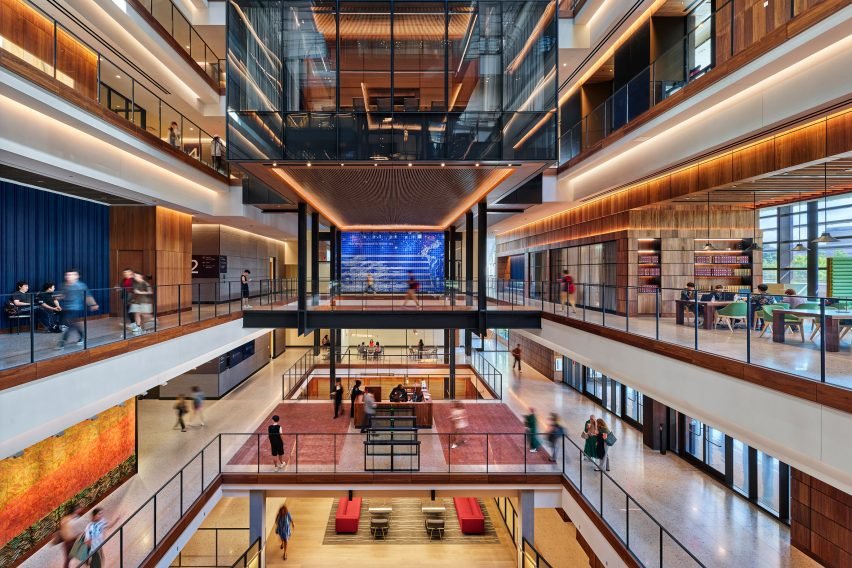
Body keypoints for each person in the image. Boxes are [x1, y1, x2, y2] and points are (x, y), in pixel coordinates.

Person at [56, 270, 98, 350]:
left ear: (77, 276)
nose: (69, 277)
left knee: (70, 325)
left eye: (71, 275)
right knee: (73, 324)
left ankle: (62, 341)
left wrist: (93, 304)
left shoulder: (81, 285)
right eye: (67, 275)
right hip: (65, 308)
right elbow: (62, 295)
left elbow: (87, 296)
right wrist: (58, 297)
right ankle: (82, 336)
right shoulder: (63, 285)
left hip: (75, 308)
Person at [57, 503, 84, 568]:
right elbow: (78, 530)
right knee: (82, 554)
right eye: (78, 508)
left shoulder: (65, 519)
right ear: (75, 510)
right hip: (72, 541)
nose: (80, 509)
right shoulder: (75, 519)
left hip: (68, 542)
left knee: (68, 559)